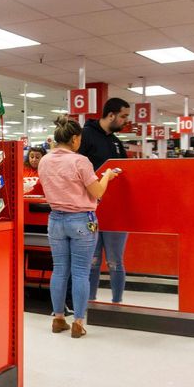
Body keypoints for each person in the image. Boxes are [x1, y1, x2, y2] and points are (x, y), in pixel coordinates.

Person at [38, 116, 118, 338]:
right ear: (74, 138)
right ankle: (78, 323)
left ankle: (58, 319)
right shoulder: (80, 161)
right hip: (81, 220)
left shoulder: (44, 160)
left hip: (55, 220)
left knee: (59, 269)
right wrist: (108, 176)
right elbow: (98, 192)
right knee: (81, 272)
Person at [78, 97, 130, 304]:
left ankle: (117, 303)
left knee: (115, 261)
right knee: (92, 261)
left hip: (116, 211)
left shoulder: (116, 142)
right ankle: (89, 303)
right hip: (90, 209)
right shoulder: (86, 136)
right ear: (111, 115)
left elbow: (126, 173)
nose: (126, 121)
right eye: (124, 116)